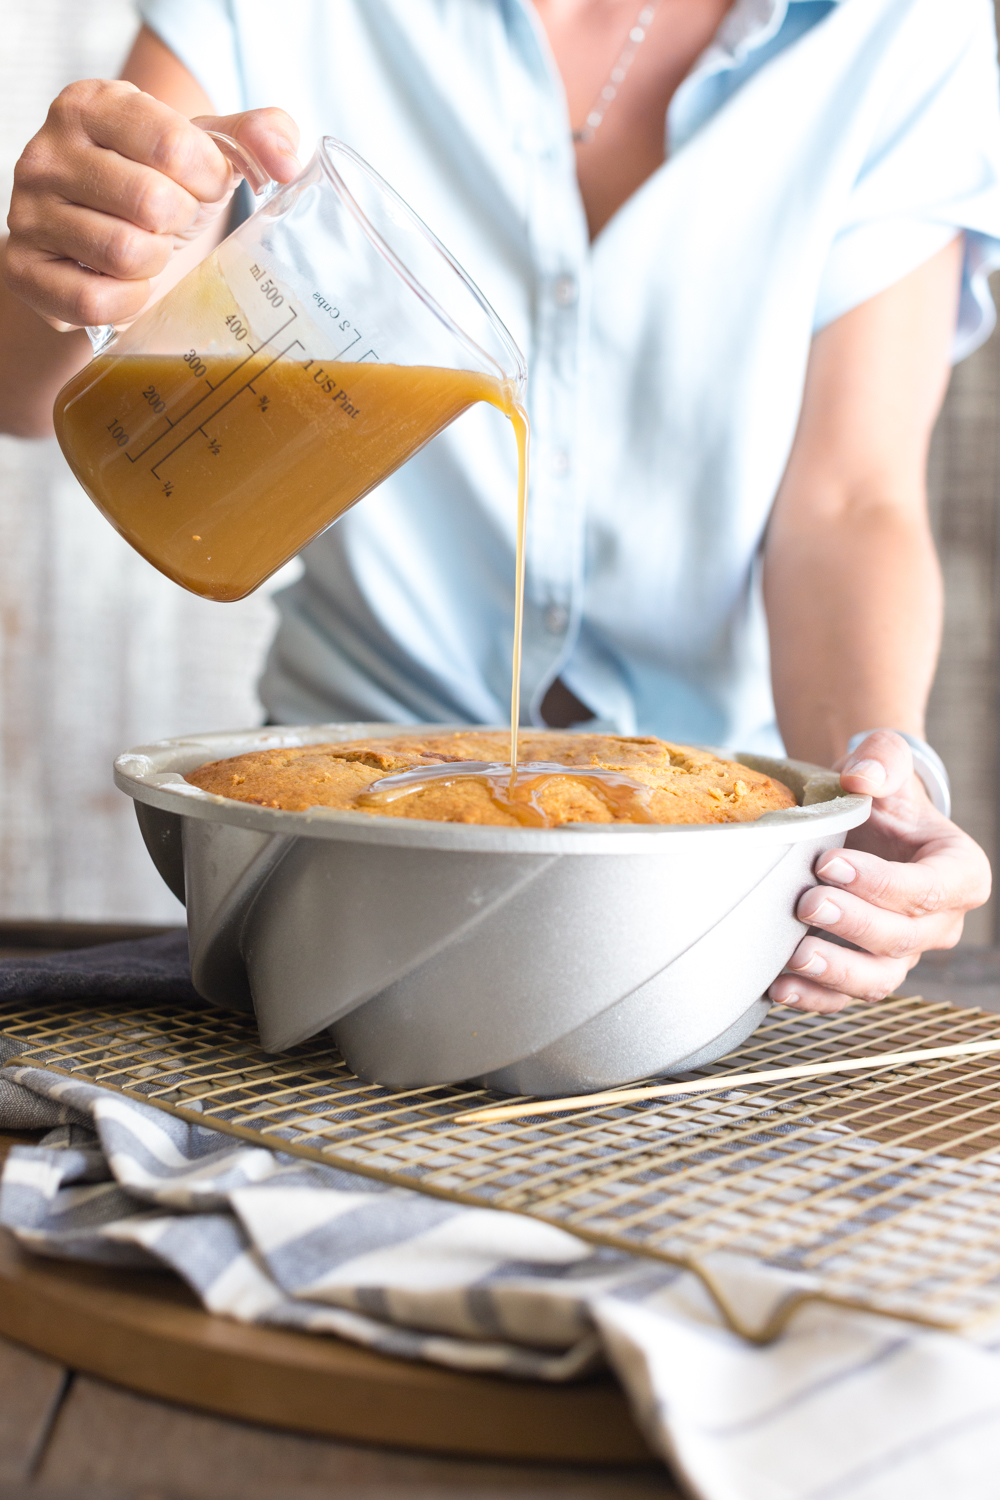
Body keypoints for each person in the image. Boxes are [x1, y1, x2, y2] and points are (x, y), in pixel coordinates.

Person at [0, 0, 997, 1013]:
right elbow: (33, 386)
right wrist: (73, 250)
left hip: (712, 872)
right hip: (337, 845)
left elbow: (847, 499)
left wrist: (870, 782)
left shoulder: (901, 28)